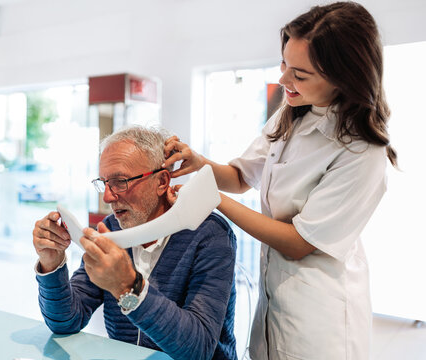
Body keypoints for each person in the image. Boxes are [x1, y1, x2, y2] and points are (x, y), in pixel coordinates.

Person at [162, 2, 397, 359]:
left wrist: (211, 198)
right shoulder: (291, 114)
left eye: (300, 74)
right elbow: (242, 176)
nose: (284, 79)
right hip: (274, 299)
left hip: (320, 317)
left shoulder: (362, 154)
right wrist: (199, 164)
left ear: (344, 77)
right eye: (284, 63)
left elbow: (300, 242)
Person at [32, 126, 238, 360]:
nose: (108, 197)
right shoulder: (110, 228)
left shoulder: (209, 234)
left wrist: (129, 286)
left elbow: (198, 350)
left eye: (120, 182)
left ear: (161, 181)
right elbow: (66, 321)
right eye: (104, 183)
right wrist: (51, 265)